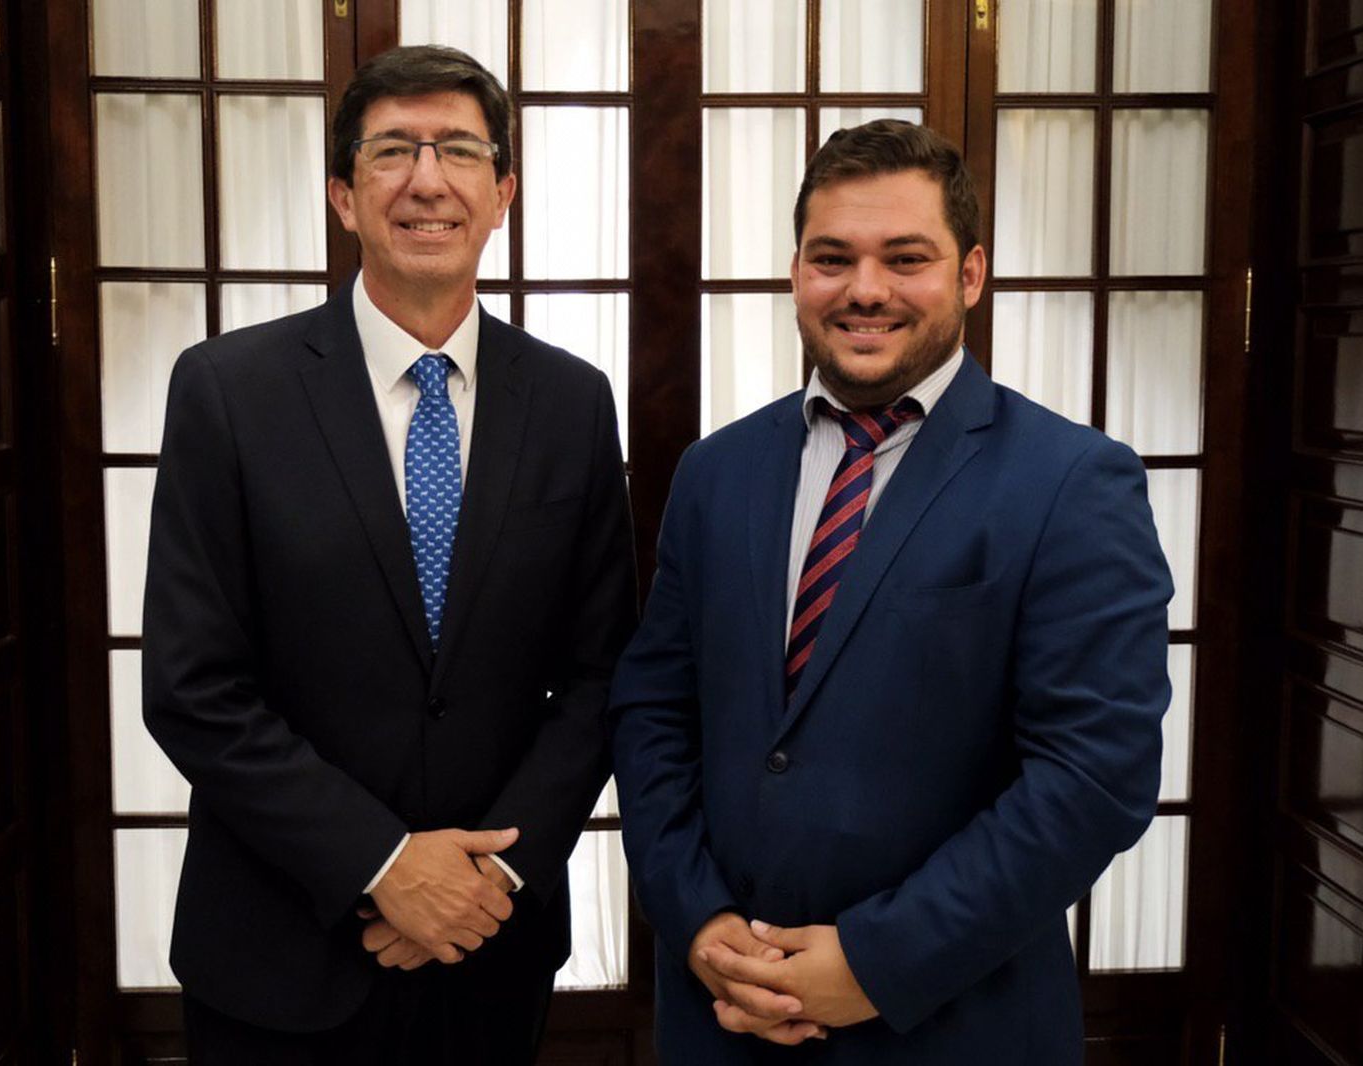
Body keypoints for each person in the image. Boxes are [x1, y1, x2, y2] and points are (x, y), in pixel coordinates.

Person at [609, 119, 1173, 1064]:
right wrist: (700, 922)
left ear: (970, 275)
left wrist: (874, 961)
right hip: (723, 1017)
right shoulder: (717, 471)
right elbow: (653, 710)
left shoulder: (1073, 482)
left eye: (904, 258)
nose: (865, 289)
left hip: (955, 1021)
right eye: (834, 258)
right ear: (798, 273)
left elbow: (1095, 778)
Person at [142, 45, 637, 1064]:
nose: (426, 178)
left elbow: (602, 676)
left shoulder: (571, 402)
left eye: (458, 149)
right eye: (391, 152)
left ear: (501, 193)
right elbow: (192, 685)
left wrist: (488, 880)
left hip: (489, 950)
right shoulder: (229, 391)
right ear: (343, 195)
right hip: (278, 948)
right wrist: (381, 863)